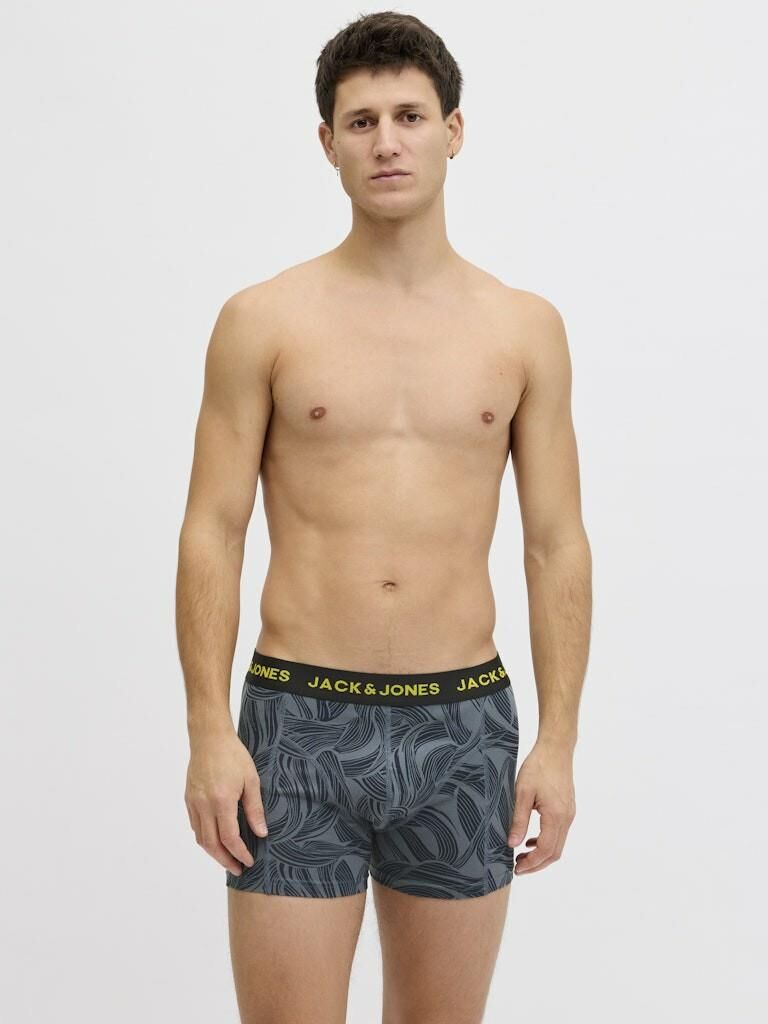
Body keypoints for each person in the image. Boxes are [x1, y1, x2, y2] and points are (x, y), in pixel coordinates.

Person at [176, 10, 591, 1024]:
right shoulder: (264, 320)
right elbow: (212, 529)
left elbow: (555, 543)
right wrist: (207, 731)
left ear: (455, 130)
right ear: (328, 143)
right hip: (296, 725)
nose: (387, 142)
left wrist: (559, 742)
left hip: (464, 729)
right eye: (361, 122)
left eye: (410, 116)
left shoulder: (523, 328)